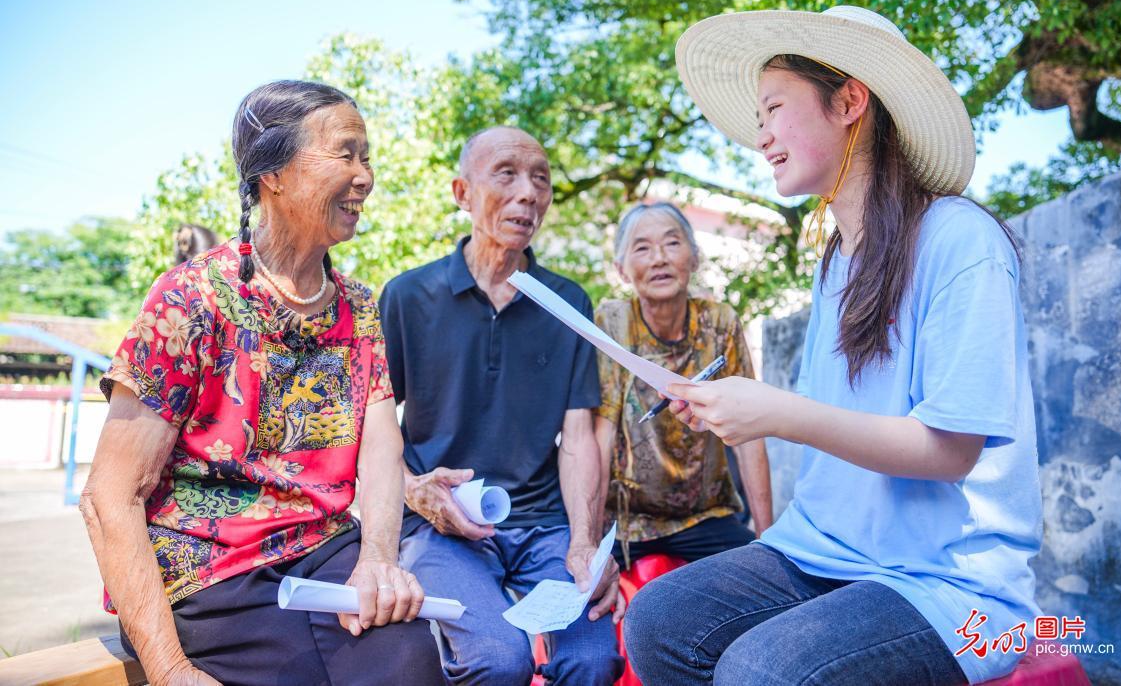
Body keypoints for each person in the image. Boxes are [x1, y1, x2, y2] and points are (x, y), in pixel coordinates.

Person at [624, 6, 1043, 685]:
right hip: (821, 553)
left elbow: (948, 452)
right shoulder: (835, 263)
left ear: (848, 101)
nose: (760, 138)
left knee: (761, 671)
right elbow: (844, 424)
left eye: (772, 110)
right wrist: (737, 410)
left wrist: (777, 413)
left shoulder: (960, 241)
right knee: (658, 622)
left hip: (952, 589)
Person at [81, 81, 443, 686]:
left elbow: (382, 446)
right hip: (207, 575)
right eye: (346, 154)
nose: (365, 176)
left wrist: (379, 560)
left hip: (323, 552)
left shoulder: (358, 305)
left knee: (410, 660)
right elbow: (109, 497)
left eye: (367, 157)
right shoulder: (190, 298)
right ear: (272, 174)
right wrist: (171, 672)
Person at [380, 126, 624, 685]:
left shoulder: (568, 303)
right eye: (507, 174)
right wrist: (415, 493)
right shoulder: (407, 297)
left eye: (541, 178)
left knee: (593, 660)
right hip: (442, 529)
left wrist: (585, 542)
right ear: (461, 193)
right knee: (498, 658)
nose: (528, 192)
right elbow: (371, 431)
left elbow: (579, 438)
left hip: (545, 527)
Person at [595, 201, 773, 569]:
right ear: (621, 270)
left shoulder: (719, 323)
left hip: (706, 516)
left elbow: (751, 434)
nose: (659, 258)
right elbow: (600, 433)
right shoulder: (612, 322)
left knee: (764, 580)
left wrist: (767, 539)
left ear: (694, 257)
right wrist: (590, 541)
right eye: (642, 248)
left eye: (672, 243)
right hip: (630, 522)